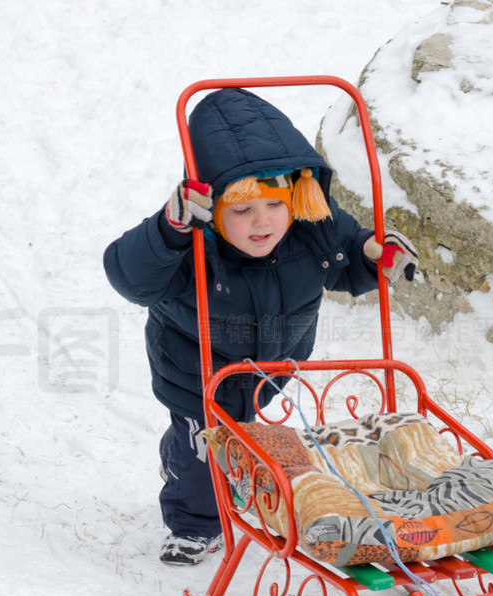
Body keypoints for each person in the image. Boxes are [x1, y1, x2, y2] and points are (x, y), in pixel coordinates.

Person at [103, 88, 418, 565]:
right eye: (242, 210)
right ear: (212, 212)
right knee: (200, 455)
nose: (263, 222)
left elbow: (348, 255)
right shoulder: (190, 245)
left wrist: (373, 255)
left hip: (271, 365)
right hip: (196, 371)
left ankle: (236, 466)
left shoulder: (314, 226)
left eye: (274, 205)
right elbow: (129, 274)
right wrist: (169, 229)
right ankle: (194, 524)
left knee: (244, 434)